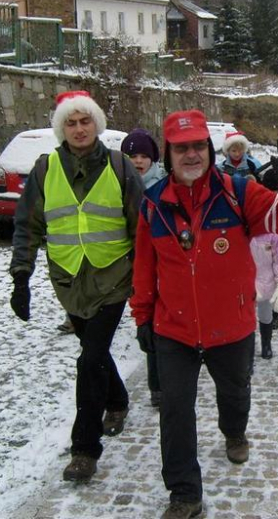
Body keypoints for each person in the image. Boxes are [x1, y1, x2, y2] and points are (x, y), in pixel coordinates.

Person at [130, 110, 278, 519]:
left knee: (235, 393)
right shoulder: (153, 204)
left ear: (209, 151)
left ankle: (234, 431)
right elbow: (144, 266)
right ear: (169, 154)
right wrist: (142, 316)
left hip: (230, 326)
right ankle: (184, 493)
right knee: (176, 410)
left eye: (198, 146)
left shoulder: (238, 193)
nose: (191, 155)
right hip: (174, 328)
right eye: (182, 148)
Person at [9, 90, 143, 482]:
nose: (79, 128)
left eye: (85, 121)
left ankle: (85, 449)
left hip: (114, 280)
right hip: (69, 281)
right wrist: (21, 277)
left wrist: (147, 283)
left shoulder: (120, 167)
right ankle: (117, 400)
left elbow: (142, 229)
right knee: (94, 352)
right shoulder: (44, 170)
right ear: (61, 128)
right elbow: (27, 225)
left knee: (89, 358)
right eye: (71, 122)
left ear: (96, 125)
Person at [121, 128, 165, 408]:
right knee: (147, 321)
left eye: (143, 156)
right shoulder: (117, 183)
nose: (138, 161)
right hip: (132, 261)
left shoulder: (162, 184)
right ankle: (157, 385)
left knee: (159, 321)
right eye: (132, 155)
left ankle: (159, 386)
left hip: (161, 262)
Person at [250, 230, 278, 359]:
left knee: (265, 315)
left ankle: (266, 344)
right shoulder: (239, 227)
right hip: (243, 284)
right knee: (245, 318)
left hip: (266, 282)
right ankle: (247, 353)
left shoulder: (273, 232)